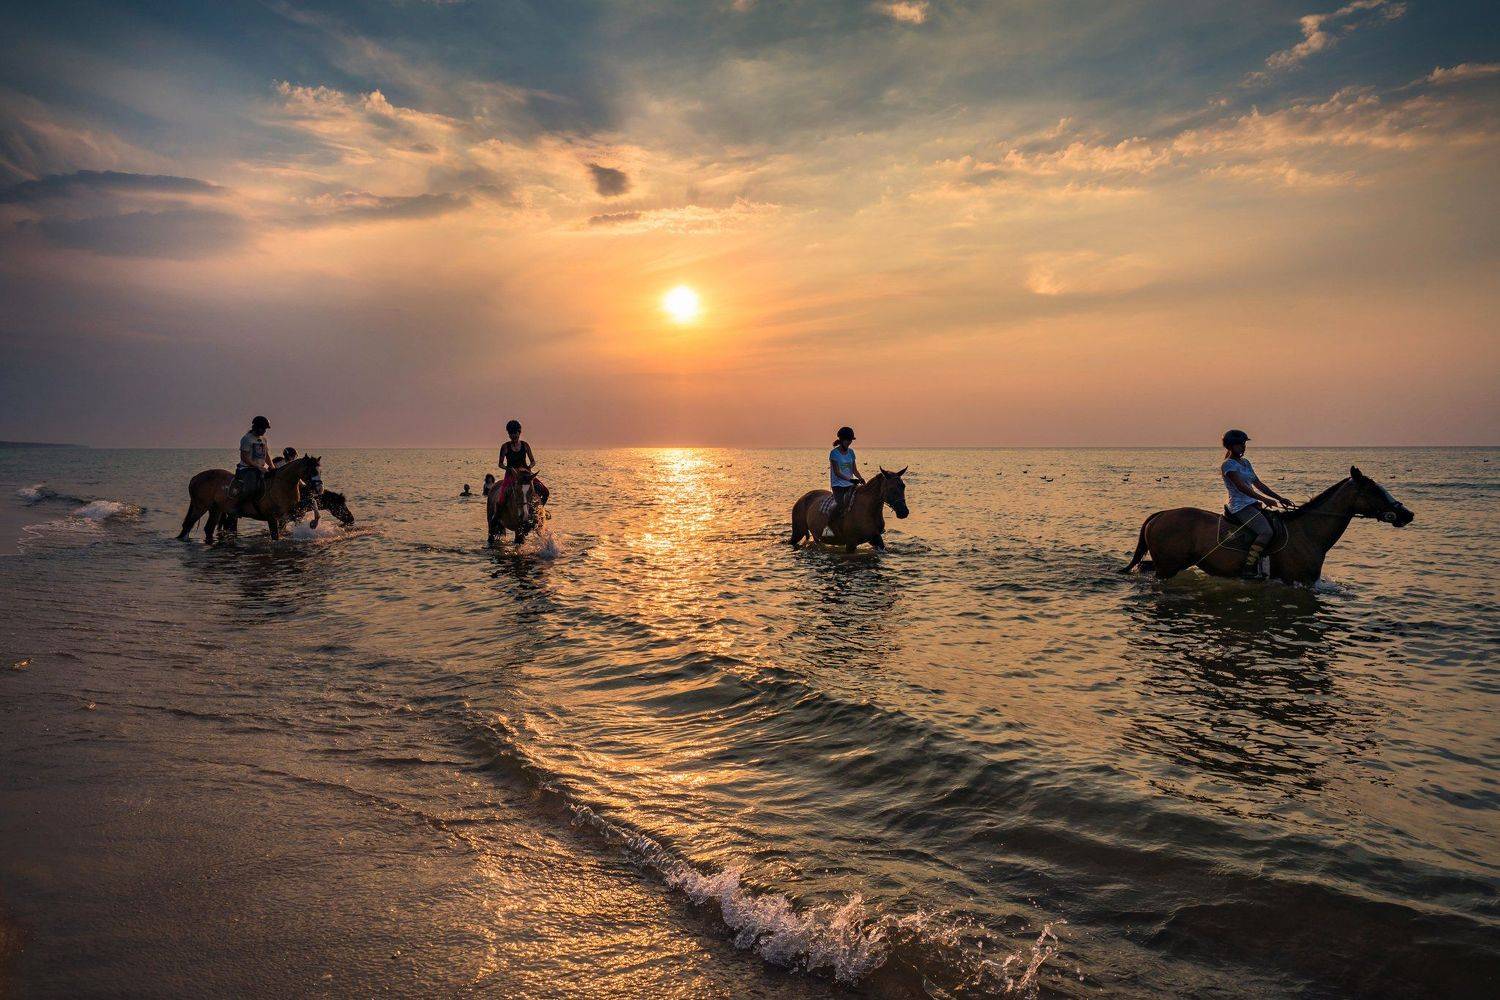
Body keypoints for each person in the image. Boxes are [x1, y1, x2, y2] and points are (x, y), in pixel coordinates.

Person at [1220, 429, 1295, 578]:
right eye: (1240, 444)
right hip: (1240, 506)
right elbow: (1240, 487)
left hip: (1253, 504)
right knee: (1266, 532)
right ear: (1231, 446)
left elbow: (1258, 484)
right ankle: (1248, 568)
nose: (1243, 447)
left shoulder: (1245, 463)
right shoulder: (1227, 465)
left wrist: (1279, 498)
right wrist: (1265, 499)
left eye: (1244, 444)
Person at [495, 419, 550, 511]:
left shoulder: (525, 445)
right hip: (511, 474)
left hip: (526, 474)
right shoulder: (505, 446)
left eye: (515, 433)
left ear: (519, 433)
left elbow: (533, 461)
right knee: (501, 498)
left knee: (545, 491)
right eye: (511, 433)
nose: (513, 436)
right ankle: (496, 517)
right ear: (508, 434)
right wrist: (508, 468)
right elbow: (500, 464)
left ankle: (540, 510)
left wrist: (529, 467)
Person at [231, 416, 273, 502]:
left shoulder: (263, 439)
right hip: (247, 469)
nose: (265, 431)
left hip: (260, 468)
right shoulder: (247, 439)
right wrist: (257, 466)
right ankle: (238, 506)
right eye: (264, 429)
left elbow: (266, 455)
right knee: (250, 488)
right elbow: (244, 457)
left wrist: (272, 467)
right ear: (258, 428)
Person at [829, 426, 864, 522]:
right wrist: (850, 479)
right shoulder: (834, 453)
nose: (849, 442)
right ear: (841, 440)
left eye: (850, 440)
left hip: (850, 485)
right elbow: (837, 472)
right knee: (840, 506)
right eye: (847, 440)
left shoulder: (851, 452)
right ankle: (828, 528)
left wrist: (860, 478)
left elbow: (854, 470)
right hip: (838, 486)